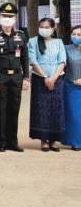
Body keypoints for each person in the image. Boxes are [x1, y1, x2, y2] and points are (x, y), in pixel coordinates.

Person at [0, 3, 30, 152]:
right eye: (5, 16)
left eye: (10, 16)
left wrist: (26, 78)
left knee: (14, 109)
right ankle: (1, 142)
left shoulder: (21, 36)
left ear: (15, 19)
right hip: (0, 77)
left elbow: (24, 58)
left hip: (16, 77)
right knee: (0, 109)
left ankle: (13, 142)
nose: (7, 19)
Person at [28, 17, 65, 152]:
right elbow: (33, 61)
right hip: (39, 79)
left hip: (57, 80)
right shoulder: (33, 41)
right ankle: (43, 140)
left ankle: (53, 140)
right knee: (41, 109)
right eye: (42, 27)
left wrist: (53, 78)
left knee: (55, 110)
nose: (44, 29)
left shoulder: (58, 42)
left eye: (47, 27)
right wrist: (45, 77)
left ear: (53, 29)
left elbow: (62, 61)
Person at [63, 25, 81, 150]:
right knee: (74, 115)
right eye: (73, 34)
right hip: (71, 86)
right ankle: (75, 141)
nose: (76, 37)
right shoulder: (66, 49)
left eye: (79, 35)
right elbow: (60, 65)